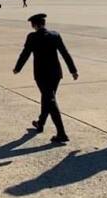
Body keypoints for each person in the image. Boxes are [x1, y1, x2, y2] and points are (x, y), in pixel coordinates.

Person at [13, 13, 79, 143]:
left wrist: (18, 68)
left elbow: (25, 53)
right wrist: (73, 70)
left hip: (41, 75)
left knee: (50, 100)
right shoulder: (55, 35)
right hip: (56, 74)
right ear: (44, 24)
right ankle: (40, 123)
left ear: (34, 25)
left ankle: (61, 133)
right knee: (47, 98)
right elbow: (65, 53)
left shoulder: (32, 37)